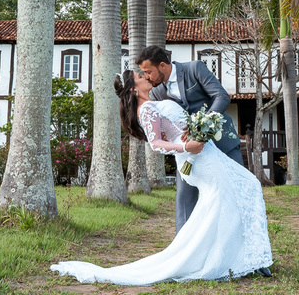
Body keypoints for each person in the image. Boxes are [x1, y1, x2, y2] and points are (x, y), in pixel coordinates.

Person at [50, 70, 273, 285]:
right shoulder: (145, 109)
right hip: (197, 158)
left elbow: (172, 128)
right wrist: (187, 144)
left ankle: (235, 255)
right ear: (133, 89)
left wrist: (196, 129)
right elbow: (156, 144)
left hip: (205, 153)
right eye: (139, 76)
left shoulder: (151, 103)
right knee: (233, 194)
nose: (145, 76)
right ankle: (227, 258)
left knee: (233, 194)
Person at [136, 45, 244, 233]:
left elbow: (221, 96)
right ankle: (183, 249)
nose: (146, 76)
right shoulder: (156, 93)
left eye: (148, 72)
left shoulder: (194, 68)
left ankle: (245, 248)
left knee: (238, 191)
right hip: (188, 152)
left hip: (222, 141)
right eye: (143, 73)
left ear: (162, 65)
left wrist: (201, 126)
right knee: (185, 199)